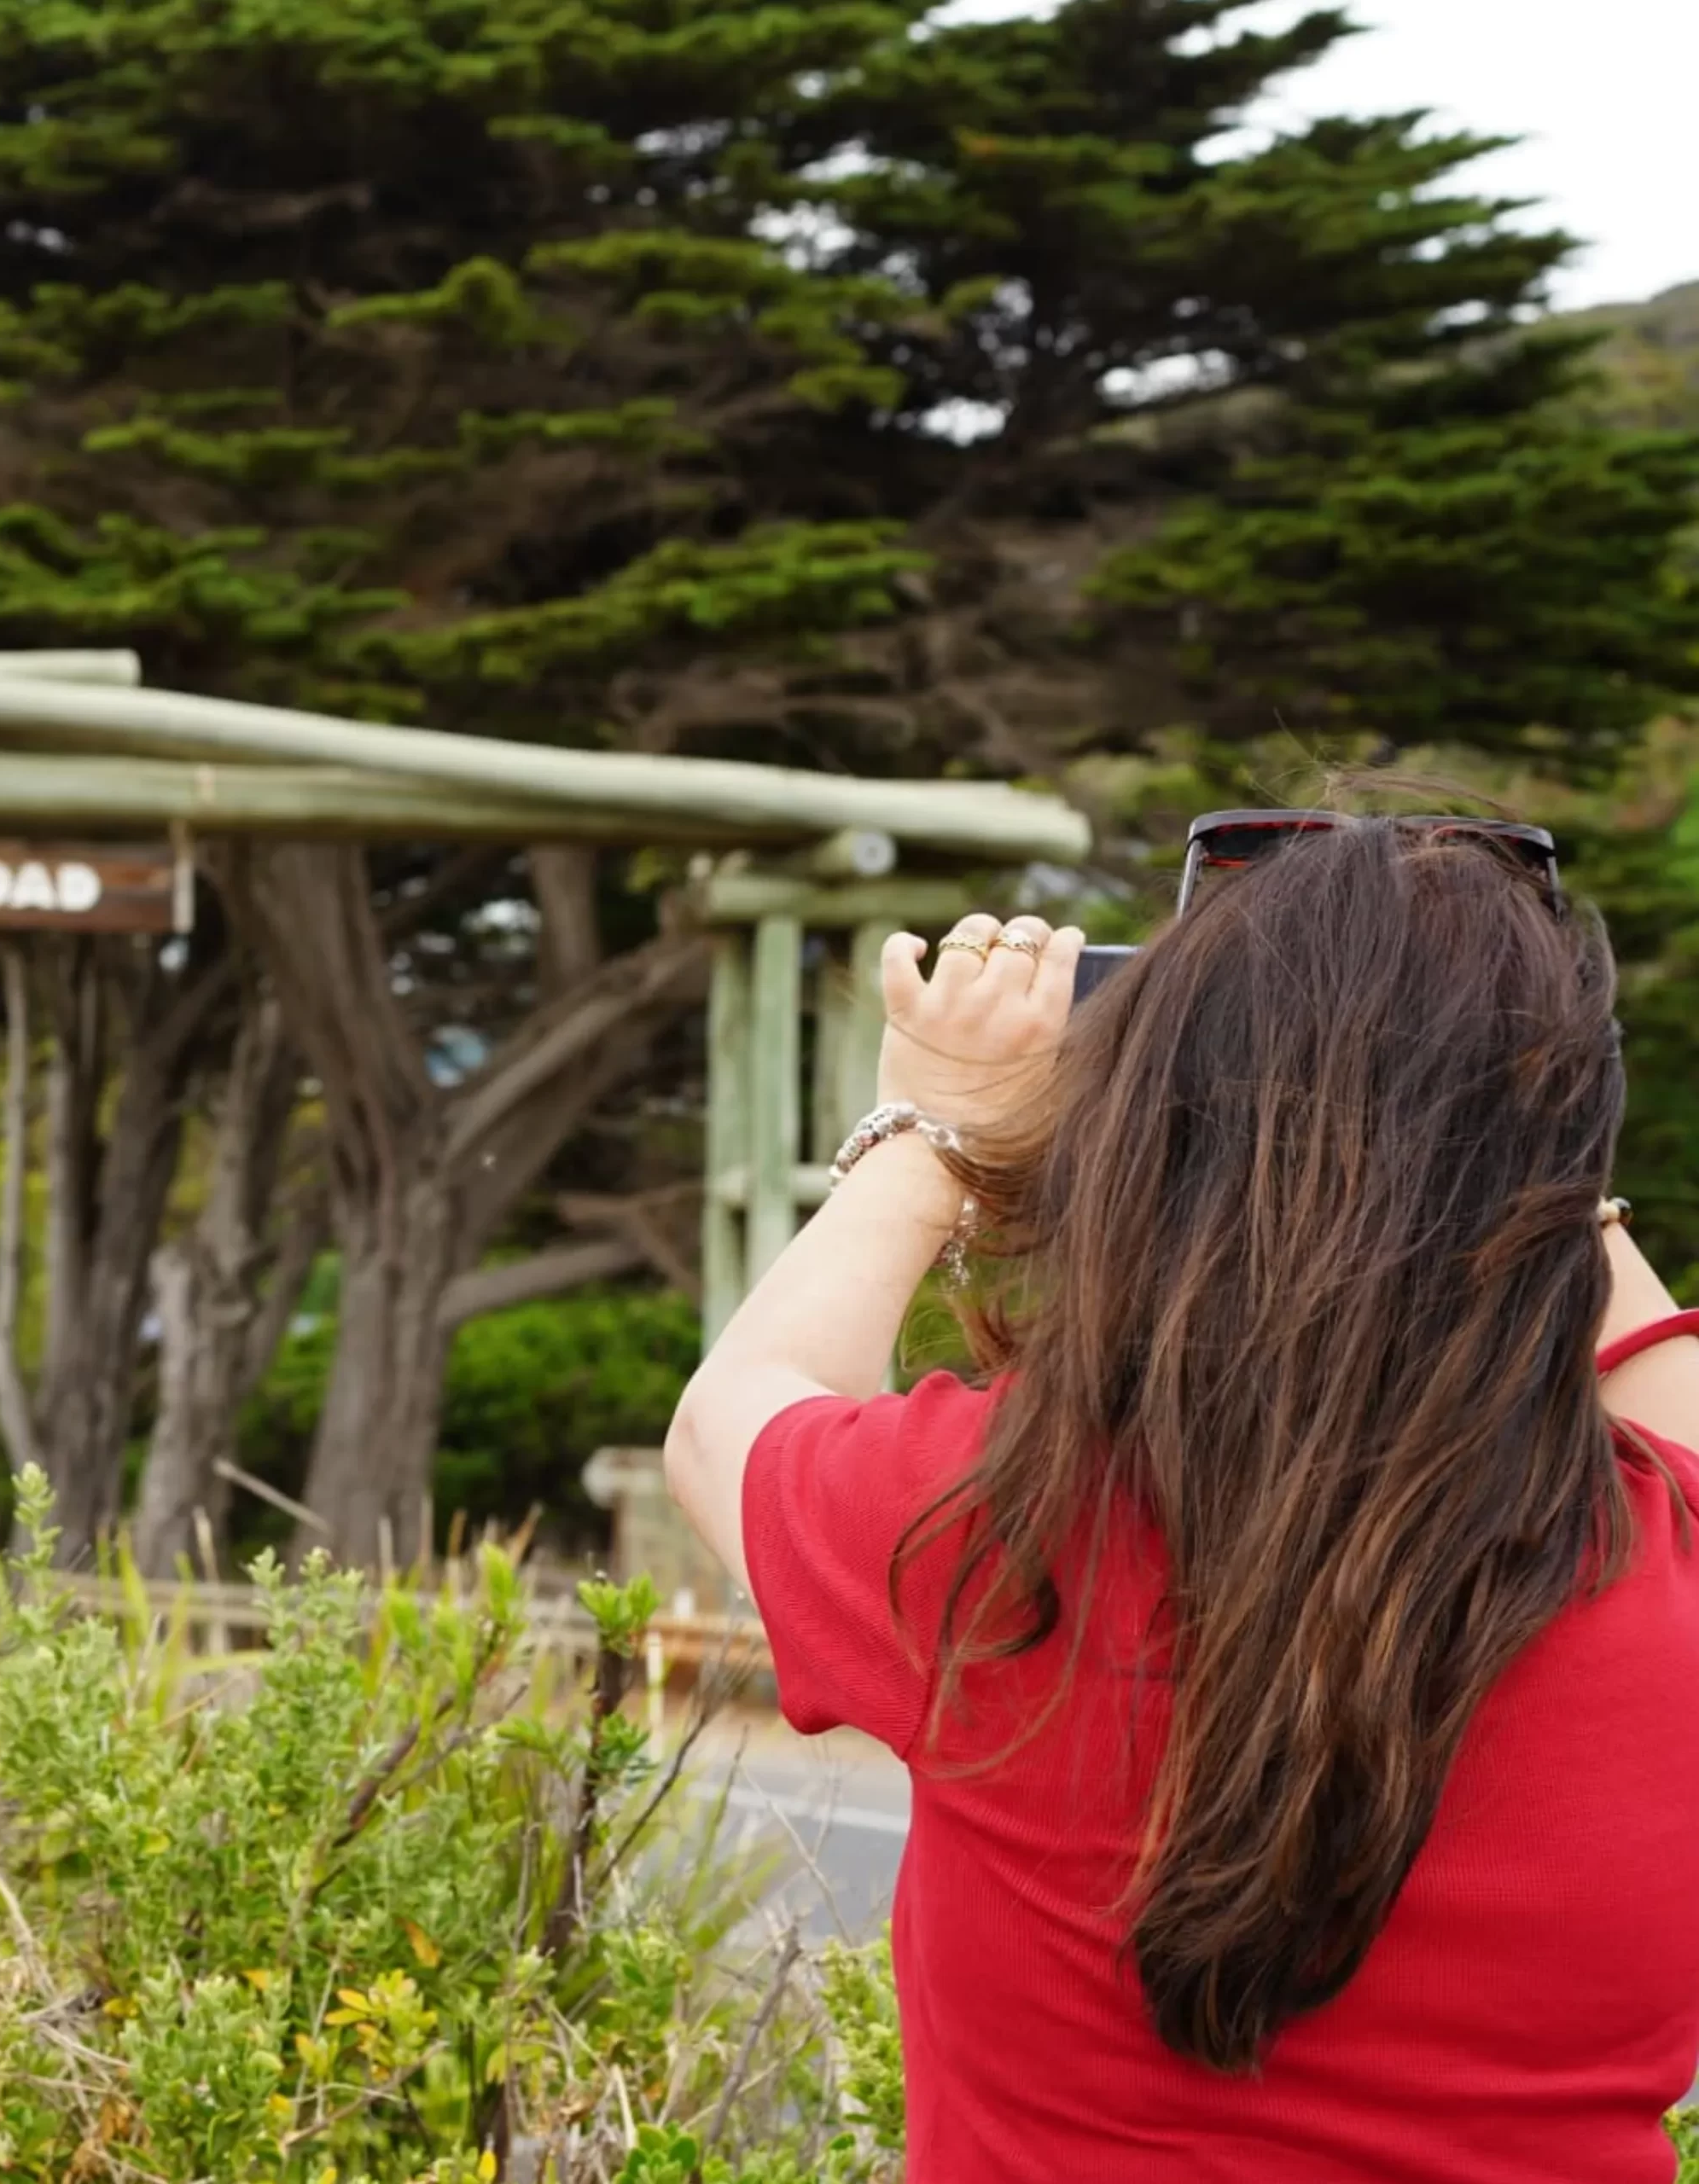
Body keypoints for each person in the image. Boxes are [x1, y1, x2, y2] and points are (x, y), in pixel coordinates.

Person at [665, 815, 1699, 2183]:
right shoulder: (1668, 1588)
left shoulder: (988, 1538)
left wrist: (936, 1121)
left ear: (1159, 1137)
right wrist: (1519, 1124)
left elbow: (735, 1405)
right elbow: (1656, 1386)